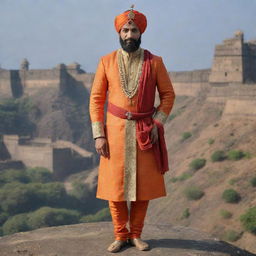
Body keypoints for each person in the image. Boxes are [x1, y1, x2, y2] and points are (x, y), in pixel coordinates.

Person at [89, 6, 175, 253]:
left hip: (145, 132)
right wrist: (99, 134)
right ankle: (120, 234)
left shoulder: (155, 62)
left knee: (142, 187)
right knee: (115, 188)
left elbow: (168, 95)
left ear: (141, 33)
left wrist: (158, 123)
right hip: (113, 133)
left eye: (134, 30)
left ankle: (136, 235)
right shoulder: (106, 61)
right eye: (125, 30)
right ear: (119, 31)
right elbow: (96, 99)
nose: (129, 34)